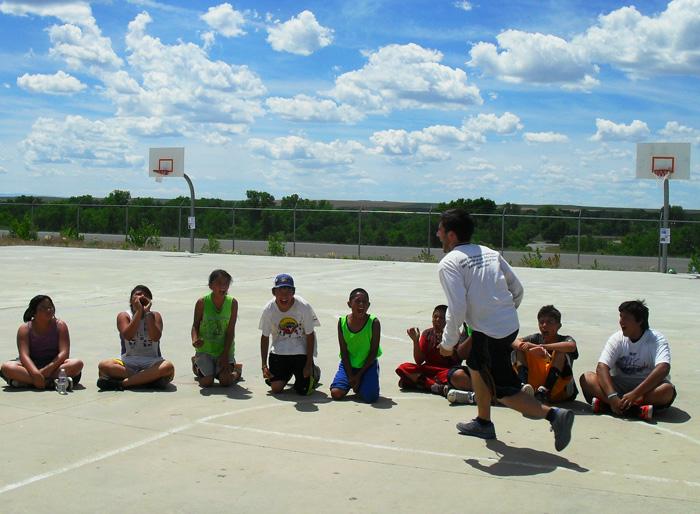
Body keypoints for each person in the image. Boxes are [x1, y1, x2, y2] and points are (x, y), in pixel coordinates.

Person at [436, 209, 574, 451]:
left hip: (491, 333)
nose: (437, 234)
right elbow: (517, 289)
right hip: (503, 327)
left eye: (440, 230)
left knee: (502, 390)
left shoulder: (449, 263)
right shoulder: (490, 253)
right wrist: (504, 313)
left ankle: (554, 415)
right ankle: (483, 421)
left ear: (452, 235)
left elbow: (456, 308)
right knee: (475, 365)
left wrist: (448, 344)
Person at [579, 300, 675, 421]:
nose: (621, 321)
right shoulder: (617, 338)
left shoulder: (656, 339)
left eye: (626, 318)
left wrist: (635, 394)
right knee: (587, 378)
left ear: (640, 321)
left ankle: (608, 407)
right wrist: (612, 396)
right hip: (618, 389)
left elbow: (663, 368)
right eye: (620, 316)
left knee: (667, 391)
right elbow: (602, 367)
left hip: (646, 391)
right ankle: (636, 411)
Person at [96, 285, 175, 391]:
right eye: (138, 294)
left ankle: (123, 384)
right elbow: (128, 336)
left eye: (146, 295)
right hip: (129, 362)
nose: (142, 296)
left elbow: (155, 337)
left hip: (152, 361)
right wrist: (138, 312)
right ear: (131, 300)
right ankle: (146, 379)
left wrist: (147, 314)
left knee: (168, 367)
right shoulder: (124, 316)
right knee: (104, 365)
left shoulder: (155, 315)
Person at [1, 295, 83, 390]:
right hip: (30, 366)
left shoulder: (60, 326)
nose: (48, 310)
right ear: (33, 312)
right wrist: (35, 373)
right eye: (43, 308)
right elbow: (24, 356)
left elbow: (64, 353)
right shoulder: (24, 329)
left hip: (55, 365)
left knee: (77, 364)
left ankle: (28, 382)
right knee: (7, 367)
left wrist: (46, 371)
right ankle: (50, 382)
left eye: (50, 307)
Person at [259, 273, 320, 395]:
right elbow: (264, 337)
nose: (284, 296)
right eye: (280, 291)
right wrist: (264, 365)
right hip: (279, 350)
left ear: (294, 292)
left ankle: (315, 371)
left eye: (288, 291)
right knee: (276, 388)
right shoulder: (269, 309)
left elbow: (310, 334)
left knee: (304, 390)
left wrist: (308, 364)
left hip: (300, 350)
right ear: (274, 292)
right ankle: (285, 375)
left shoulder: (304, 306)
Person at [512, 305, 578, 403]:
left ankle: (545, 390)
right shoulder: (535, 338)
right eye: (541, 322)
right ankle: (524, 387)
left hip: (561, 391)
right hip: (535, 389)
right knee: (520, 349)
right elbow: (513, 341)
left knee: (560, 351)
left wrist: (543, 347)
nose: (544, 325)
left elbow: (572, 346)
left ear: (559, 326)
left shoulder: (565, 339)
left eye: (549, 322)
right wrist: (527, 347)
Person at [330, 288, 381, 403]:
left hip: (368, 364)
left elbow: (373, 352)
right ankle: (355, 382)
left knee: (370, 398)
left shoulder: (374, 323)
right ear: (349, 304)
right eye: (357, 301)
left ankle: (365, 380)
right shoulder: (342, 322)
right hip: (349, 364)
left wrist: (358, 376)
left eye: (364, 302)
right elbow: (343, 351)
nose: (361, 305)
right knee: (336, 393)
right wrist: (350, 375)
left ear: (368, 305)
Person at [395, 305, 462, 392]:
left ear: (447, 320)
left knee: (457, 375)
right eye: (435, 317)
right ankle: (434, 386)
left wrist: (448, 348)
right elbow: (419, 361)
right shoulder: (427, 334)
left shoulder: (454, 335)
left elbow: (458, 360)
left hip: (445, 371)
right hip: (428, 370)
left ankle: (423, 384)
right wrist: (415, 341)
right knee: (404, 367)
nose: (437, 320)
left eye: (441, 318)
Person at [191, 269, 240, 388]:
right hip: (205, 351)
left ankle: (237, 371)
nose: (223, 286)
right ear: (210, 285)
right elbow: (195, 325)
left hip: (224, 350)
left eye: (226, 283)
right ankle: (196, 364)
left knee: (225, 381)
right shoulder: (202, 302)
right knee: (207, 382)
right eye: (219, 283)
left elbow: (230, 331)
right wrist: (195, 340)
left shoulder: (232, 303)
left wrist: (225, 354)